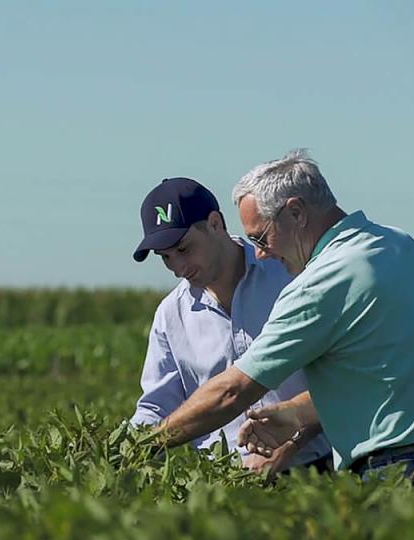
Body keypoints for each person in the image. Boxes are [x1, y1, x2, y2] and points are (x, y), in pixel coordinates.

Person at [147, 150, 414, 484]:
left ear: (296, 212)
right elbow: (375, 377)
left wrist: (147, 444)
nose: (262, 253)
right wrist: (294, 416)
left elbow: (233, 393)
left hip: (401, 471)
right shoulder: (399, 244)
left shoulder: (321, 281)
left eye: (262, 237)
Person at [130, 176, 332, 475]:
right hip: (227, 483)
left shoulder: (290, 277)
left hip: (317, 469)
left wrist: (290, 444)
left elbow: (340, 379)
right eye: (165, 258)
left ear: (215, 223)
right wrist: (121, 450)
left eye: (184, 249)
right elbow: (156, 407)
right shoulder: (170, 315)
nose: (177, 268)